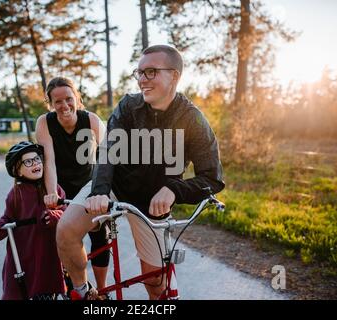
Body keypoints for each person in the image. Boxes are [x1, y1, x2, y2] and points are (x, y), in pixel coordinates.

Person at [56, 44, 225, 300]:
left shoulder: (193, 120)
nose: (142, 80)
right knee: (66, 230)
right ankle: (82, 292)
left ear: (174, 76)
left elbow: (212, 178)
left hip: (153, 201)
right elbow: (108, 151)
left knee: (156, 281)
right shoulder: (128, 106)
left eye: (151, 72)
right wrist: (100, 191)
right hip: (113, 185)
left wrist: (174, 189)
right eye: (139, 73)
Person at [35, 77, 110, 296]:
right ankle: (78, 290)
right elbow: (48, 161)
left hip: (90, 185)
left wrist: (103, 190)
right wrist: (51, 194)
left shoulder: (92, 120)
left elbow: (109, 157)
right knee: (65, 237)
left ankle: (102, 291)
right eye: (57, 101)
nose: (64, 105)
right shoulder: (44, 123)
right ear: (50, 104)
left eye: (69, 99)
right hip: (60, 188)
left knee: (100, 236)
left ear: (77, 98)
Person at [0, 141, 67, 300]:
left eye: (37, 159)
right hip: (24, 250)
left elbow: (65, 212)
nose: (35, 164)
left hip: (47, 248)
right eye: (28, 162)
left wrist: (54, 215)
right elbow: (9, 217)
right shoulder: (15, 194)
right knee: (20, 285)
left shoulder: (52, 188)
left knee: (48, 280)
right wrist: (1, 225)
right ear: (19, 170)